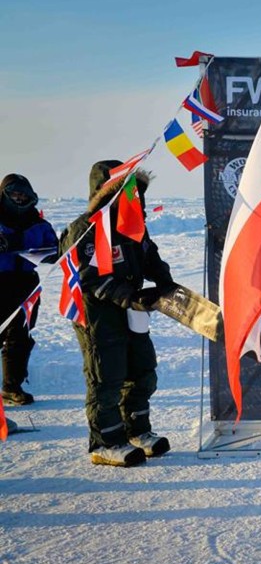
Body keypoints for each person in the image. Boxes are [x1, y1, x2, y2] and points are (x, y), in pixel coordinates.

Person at [58, 161, 175, 467]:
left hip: (131, 309)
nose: (134, 198)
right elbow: (87, 276)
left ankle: (137, 432)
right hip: (97, 314)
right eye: (127, 192)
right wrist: (128, 297)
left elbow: (149, 256)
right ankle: (105, 442)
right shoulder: (85, 229)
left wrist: (164, 281)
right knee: (106, 377)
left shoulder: (133, 224)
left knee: (142, 370)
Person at [0, 174, 58, 406]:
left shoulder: (39, 223)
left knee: (20, 337)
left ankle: (11, 387)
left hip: (26, 284)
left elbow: (56, 249)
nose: (19, 198)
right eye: (14, 194)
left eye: (23, 194)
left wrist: (46, 252)